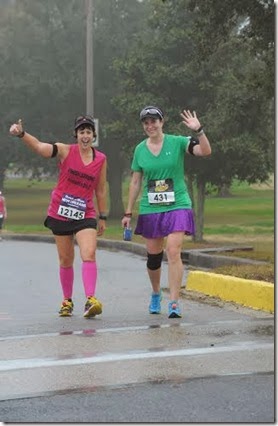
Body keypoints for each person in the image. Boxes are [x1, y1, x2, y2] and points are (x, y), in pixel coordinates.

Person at [9, 115, 107, 318]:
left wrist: (103, 216)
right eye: (82, 132)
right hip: (61, 211)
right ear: (76, 135)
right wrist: (22, 134)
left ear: (93, 135)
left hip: (85, 213)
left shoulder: (101, 159)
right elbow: (39, 147)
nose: (85, 135)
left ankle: (91, 300)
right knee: (65, 259)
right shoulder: (65, 150)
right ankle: (67, 301)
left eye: (89, 132)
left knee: (88, 253)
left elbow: (100, 190)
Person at [122, 106, 211, 318]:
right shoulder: (139, 149)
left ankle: (174, 302)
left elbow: (205, 151)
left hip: (177, 204)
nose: (150, 125)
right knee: (153, 258)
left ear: (162, 122)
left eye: (154, 121)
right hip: (151, 208)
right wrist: (128, 213)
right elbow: (135, 182)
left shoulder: (177, 142)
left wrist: (199, 131)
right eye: (146, 122)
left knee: (173, 251)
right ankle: (155, 294)